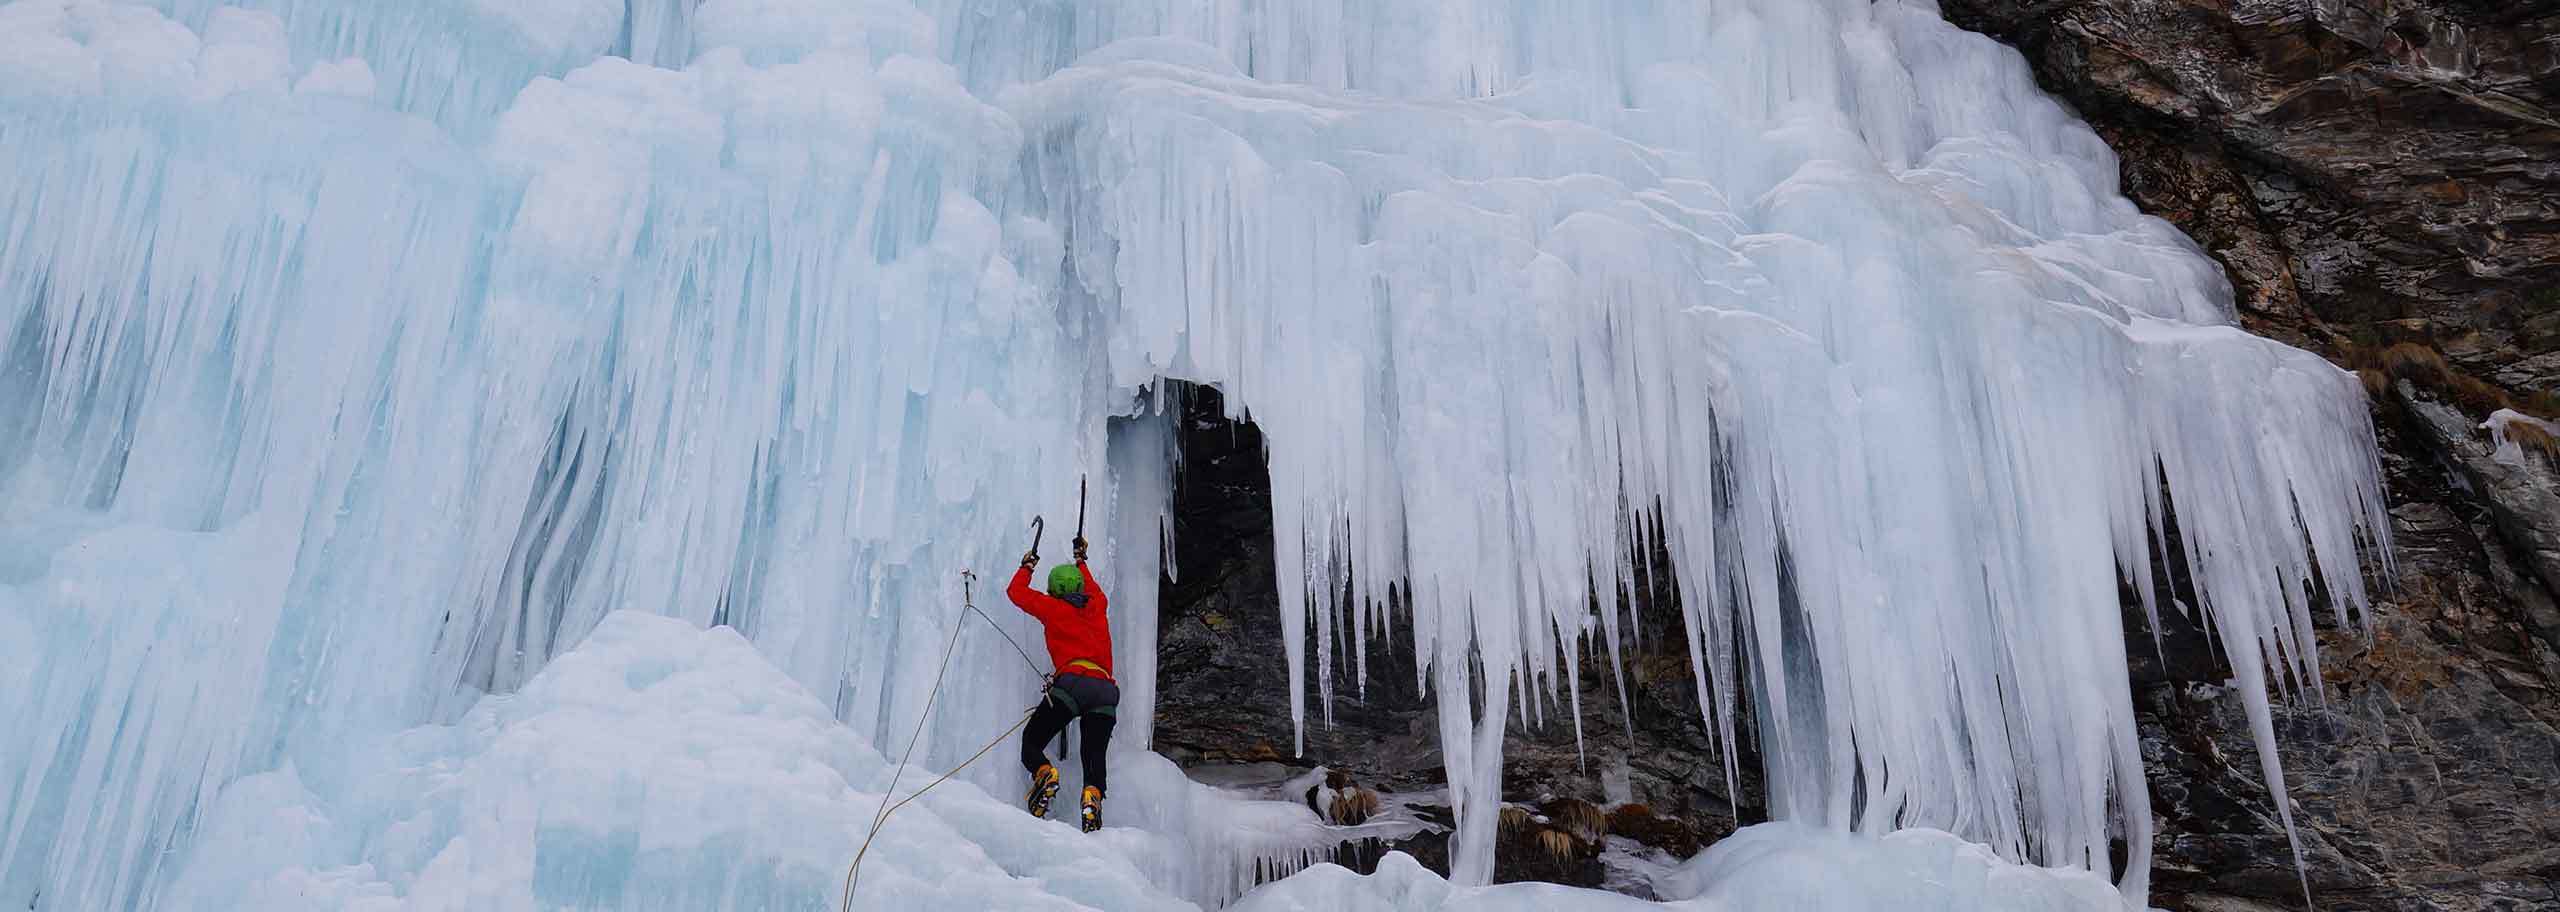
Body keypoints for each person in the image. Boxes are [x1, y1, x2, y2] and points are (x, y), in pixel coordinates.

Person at [1010, 533, 1116, 832]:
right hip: (1105, 690)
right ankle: (1092, 797)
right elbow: (1091, 586)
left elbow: (1016, 593)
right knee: (1094, 755)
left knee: (1032, 742)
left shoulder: (1052, 607)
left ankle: (1044, 772)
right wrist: (1081, 560)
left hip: (1072, 683)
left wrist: (1027, 566)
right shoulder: (1097, 604)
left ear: (1054, 591)